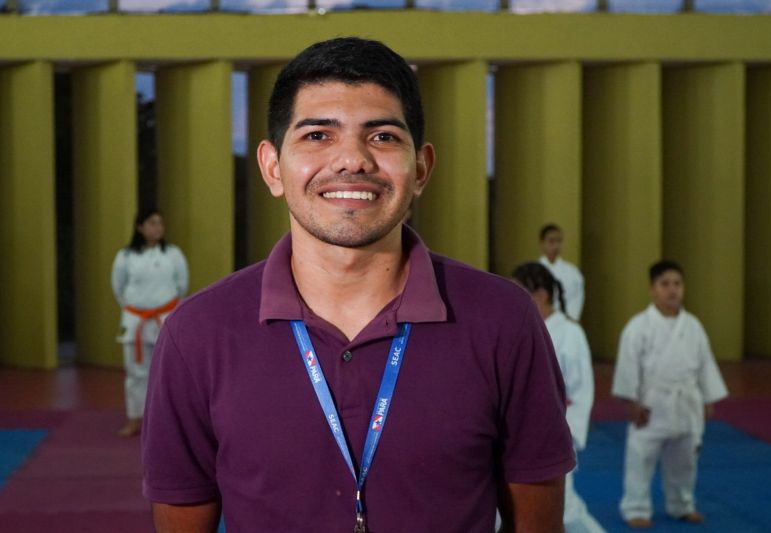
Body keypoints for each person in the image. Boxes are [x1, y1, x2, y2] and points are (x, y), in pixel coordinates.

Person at [141, 37, 575, 532]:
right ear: (271, 167)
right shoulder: (198, 334)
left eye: (383, 136)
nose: (352, 160)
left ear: (421, 169)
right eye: (318, 136)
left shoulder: (503, 320)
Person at [611, 260, 728, 529]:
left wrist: (708, 399)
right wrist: (631, 401)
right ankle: (636, 507)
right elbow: (628, 367)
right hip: (651, 404)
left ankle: (682, 505)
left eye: (677, 284)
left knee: (685, 463)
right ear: (652, 289)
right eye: (665, 284)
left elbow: (705, 364)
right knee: (640, 459)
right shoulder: (638, 326)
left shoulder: (693, 326)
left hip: (686, 404)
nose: (672, 290)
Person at [512, 262, 606, 533]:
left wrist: (567, 436)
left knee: (564, 511)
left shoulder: (570, 334)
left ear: (540, 295)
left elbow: (580, 391)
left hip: (553, 436)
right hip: (519, 435)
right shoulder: (522, 327)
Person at [111, 208, 188, 437]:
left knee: (168, 372)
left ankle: (168, 423)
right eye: (152, 223)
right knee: (136, 372)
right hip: (136, 319)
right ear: (140, 227)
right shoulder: (125, 257)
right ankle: (136, 418)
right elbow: (118, 287)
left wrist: (166, 310)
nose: (157, 228)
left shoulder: (173, 254)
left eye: (160, 224)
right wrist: (138, 309)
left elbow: (182, 286)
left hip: (165, 318)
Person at [538, 224, 585, 321]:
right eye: (551, 241)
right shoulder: (533, 271)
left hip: (564, 324)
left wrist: (568, 320)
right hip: (538, 323)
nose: (556, 246)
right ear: (542, 242)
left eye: (559, 241)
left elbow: (576, 300)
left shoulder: (572, 272)